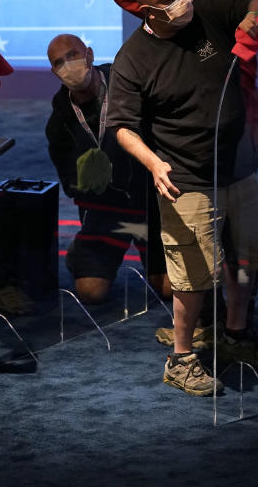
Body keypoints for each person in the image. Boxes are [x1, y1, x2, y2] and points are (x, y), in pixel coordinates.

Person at [41, 0, 258, 347]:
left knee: (241, 249)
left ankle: (237, 328)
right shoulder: (146, 42)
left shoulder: (213, 7)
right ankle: (200, 335)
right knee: (197, 257)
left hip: (237, 144)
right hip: (188, 160)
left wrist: (254, 16)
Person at [105, 0, 258, 396]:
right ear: (147, 10)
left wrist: (254, 16)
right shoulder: (133, 59)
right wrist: (153, 162)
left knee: (245, 258)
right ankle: (182, 359)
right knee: (191, 275)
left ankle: (236, 334)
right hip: (186, 177)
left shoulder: (207, 11)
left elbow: (255, 3)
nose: (182, 1)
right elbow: (121, 125)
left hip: (239, 167)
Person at [44, 33, 168, 304]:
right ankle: (81, 251)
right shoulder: (61, 116)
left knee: (168, 289)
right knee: (90, 292)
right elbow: (63, 165)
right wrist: (80, 184)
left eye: (73, 56)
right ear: (54, 72)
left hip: (148, 204)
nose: (68, 65)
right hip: (104, 212)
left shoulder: (126, 83)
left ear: (89, 54)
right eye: (59, 62)